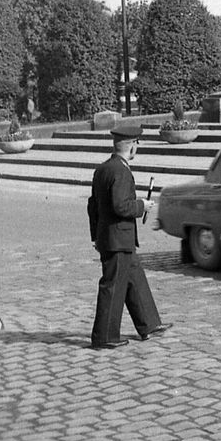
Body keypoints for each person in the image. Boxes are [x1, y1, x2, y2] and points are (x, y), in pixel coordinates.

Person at [87, 120, 172, 350]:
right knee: (113, 286)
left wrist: (95, 235)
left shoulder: (103, 169)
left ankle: (149, 324)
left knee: (134, 278)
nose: (137, 148)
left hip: (111, 237)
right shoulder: (121, 171)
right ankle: (104, 336)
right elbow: (121, 206)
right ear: (132, 145)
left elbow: (92, 206)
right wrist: (142, 206)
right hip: (118, 239)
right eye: (137, 144)